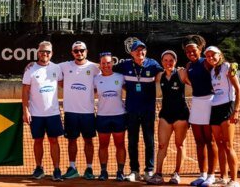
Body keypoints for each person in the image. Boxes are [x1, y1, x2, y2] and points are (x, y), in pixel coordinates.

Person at [113, 40, 162, 182]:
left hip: (148, 110)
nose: (140, 52)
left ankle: (149, 170)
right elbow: (108, 68)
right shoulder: (125, 65)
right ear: (131, 53)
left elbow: (163, 74)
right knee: (132, 141)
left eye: (143, 50)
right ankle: (134, 170)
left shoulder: (153, 64)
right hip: (131, 110)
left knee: (149, 141)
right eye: (137, 50)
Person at [22, 41, 64, 181]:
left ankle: (57, 169)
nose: (44, 54)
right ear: (38, 53)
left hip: (53, 113)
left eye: (47, 52)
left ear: (51, 53)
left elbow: (65, 84)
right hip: (36, 114)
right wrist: (25, 110)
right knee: (37, 141)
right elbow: (25, 91)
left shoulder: (57, 68)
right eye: (42, 51)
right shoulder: (30, 69)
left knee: (54, 141)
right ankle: (39, 168)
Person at [179, 35, 218, 187]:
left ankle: (211, 175)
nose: (191, 53)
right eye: (188, 52)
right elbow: (189, 81)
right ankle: (202, 174)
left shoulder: (207, 63)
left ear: (200, 50)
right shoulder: (189, 66)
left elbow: (220, 70)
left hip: (209, 101)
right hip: (196, 103)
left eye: (193, 51)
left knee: (210, 141)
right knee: (199, 141)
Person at [147, 50, 189, 185]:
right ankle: (158, 174)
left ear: (175, 61)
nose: (168, 63)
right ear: (162, 62)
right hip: (165, 115)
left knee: (180, 145)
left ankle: (177, 174)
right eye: (165, 60)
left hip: (181, 116)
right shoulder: (160, 76)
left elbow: (196, 84)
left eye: (171, 60)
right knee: (161, 145)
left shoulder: (182, 74)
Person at [58, 41, 99, 180]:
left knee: (88, 141)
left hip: (87, 112)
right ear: (72, 53)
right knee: (71, 140)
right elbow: (48, 68)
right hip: (70, 111)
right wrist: (31, 64)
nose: (79, 53)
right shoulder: (64, 66)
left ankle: (89, 168)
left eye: (82, 50)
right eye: (76, 51)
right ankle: (72, 167)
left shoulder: (94, 67)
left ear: (86, 51)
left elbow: (107, 72)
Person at [206, 46, 240, 187]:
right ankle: (223, 177)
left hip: (228, 107)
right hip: (215, 109)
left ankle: (234, 180)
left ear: (219, 54)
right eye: (208, 56)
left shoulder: (228, 67)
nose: (210, 58)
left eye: (213, 55)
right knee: (219, 144)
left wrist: (236, 111)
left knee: (228, 145)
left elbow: (238, 90)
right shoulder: (211, 72)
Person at [93, 52, 126, 182]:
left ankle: (120, 172)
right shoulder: (96, 79)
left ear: (112, 63)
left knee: (120, 144)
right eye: (103, 63)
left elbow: (131, 91)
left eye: (108, 63)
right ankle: (103, 172)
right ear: (100, 65)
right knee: (103, 145)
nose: (106, 65)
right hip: (102, 117)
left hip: (119, 116)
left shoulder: (121, 77)